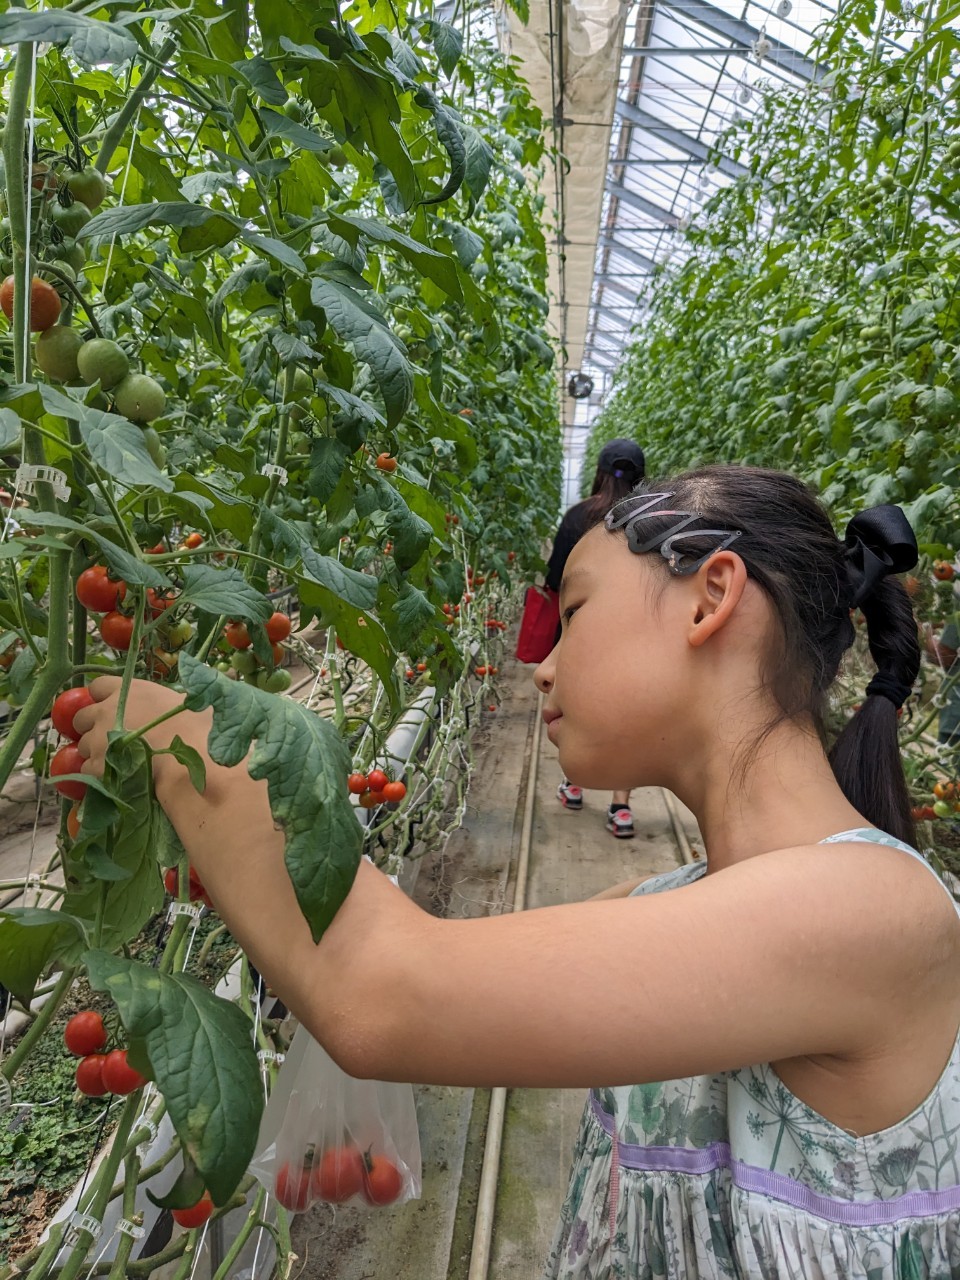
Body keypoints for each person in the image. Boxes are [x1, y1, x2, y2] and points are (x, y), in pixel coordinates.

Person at [75, 465, 960, 1279]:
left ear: (711, 598)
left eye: (573, 613)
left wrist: (181, 731)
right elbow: (425, 964)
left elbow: (382, 993)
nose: (541, 667)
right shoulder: (669, 902)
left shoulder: (867, 909)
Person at [546, 438, 646, 838]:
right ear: (641, 475)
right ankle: (621, 808)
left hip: (578, 637)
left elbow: (556, 580)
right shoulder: (651, 521)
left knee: (572, 710)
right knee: (630, 717)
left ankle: (573, 785)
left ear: (600, 473)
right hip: (636, 639)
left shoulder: (576, 519)